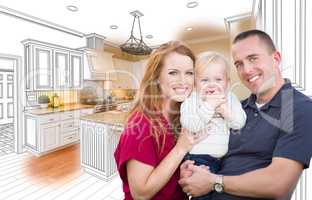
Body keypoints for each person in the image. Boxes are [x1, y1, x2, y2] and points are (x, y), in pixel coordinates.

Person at [179, 29, 312, 200]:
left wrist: (214, 181)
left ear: (276, 59)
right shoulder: (238, 108)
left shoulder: (301, 108)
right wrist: (190, 169)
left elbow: (279, 185)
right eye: (239, 64)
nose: (247, 70)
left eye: (253, 58)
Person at [114, 41, 204, 200]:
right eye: (173, 72)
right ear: (156, 77)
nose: (184, 81)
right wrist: (180, 148)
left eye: (189, 73)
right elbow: (141, 194)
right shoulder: (139, 124)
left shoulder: (182, 116)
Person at [180, 51, 246, 199]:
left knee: (222, 194)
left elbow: (239, 123)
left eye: (218, 79)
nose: (212, 84)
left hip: (224, 159)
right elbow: (191, 125)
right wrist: (209, 106)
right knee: (201, 194)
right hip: (199, 158)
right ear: (196, 83)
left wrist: (224, 110)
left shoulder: (229, 98)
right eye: (204, 80)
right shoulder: (192, 100)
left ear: (227, 82)